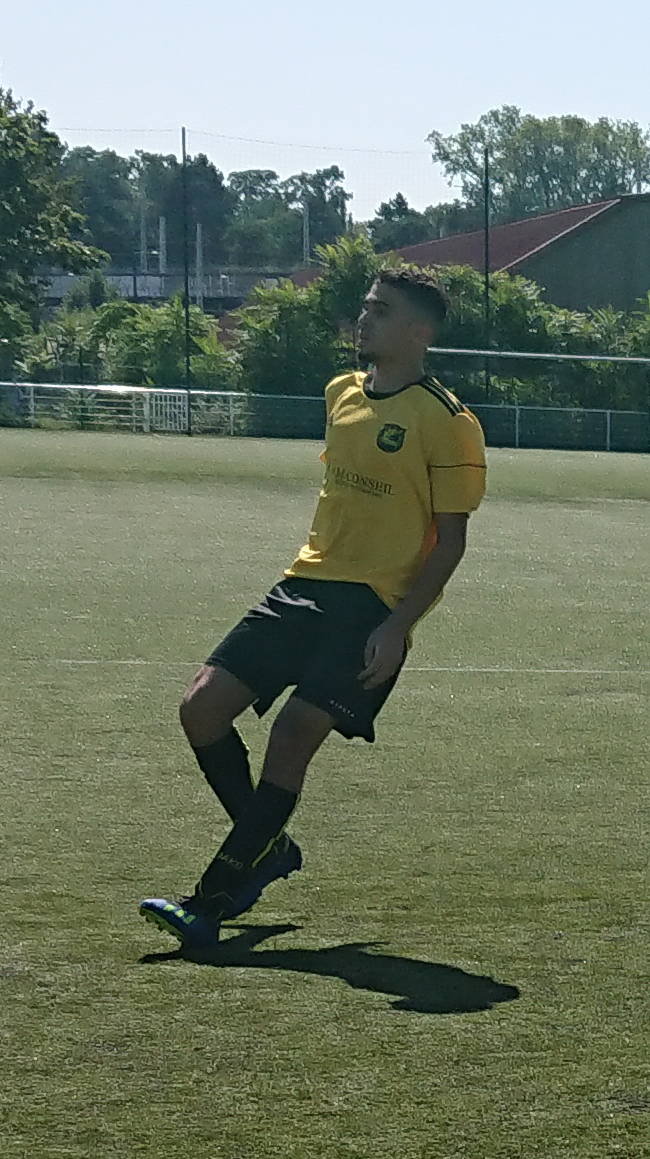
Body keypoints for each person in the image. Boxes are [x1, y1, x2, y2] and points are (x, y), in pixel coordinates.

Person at [141, 267, 488, 947]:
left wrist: (398, 624)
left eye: (381, 312)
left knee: (293, 733)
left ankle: (208, 903)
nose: (364, 320)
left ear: (419, 332)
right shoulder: (339, 393)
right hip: (303, 584)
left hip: (372, 608)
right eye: (365, 308)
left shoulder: (449, 422)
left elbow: (450, 543)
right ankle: (263, 847)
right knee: (201, 706)